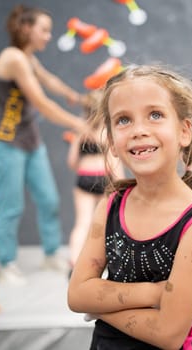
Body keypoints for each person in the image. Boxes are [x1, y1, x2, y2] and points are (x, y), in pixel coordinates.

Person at [67, 65, 192, 349]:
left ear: (184, 131)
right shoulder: (111, 206)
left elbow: (169, 334)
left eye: (155, 115)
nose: (139, 130)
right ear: (111, 142)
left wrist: (99, 307)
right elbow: (77, 295)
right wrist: (152, 293)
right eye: (123, 120)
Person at [0, 4, 86, 285]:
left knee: (49, 200)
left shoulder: (27, 57)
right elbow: (41, 101)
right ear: (26, 28)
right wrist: (78, 124)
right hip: (6, 143)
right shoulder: (13, 58)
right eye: (44, 30)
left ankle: (51, 253)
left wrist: (74, 97)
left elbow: (49, 80)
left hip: (30, 141)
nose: (48, 36)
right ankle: (5, 263)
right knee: (11, 206)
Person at [66, 90, 124, 274]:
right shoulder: (108, 132)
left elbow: (72, 162)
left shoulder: (80, 131)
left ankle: (74, 261)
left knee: (82, 223)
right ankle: (110, 261)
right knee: (106, 224)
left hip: (84, 177)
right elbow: (114, 163)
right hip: (104, 178)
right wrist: (121, 183)